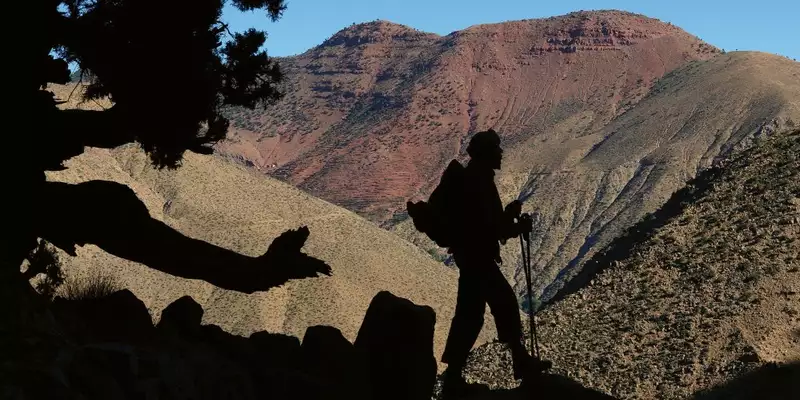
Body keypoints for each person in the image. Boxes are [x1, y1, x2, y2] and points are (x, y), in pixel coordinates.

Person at [409, 129, 546, 396]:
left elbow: (487, 224)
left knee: (470, 317)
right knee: (503, 303)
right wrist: (515, 224)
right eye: (497, 148)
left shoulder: (475, 178)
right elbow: (491, 227)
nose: (501, 153)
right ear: (486, 153)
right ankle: (520, 362)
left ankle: (455, 377)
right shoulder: (479, 181)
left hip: (470, 256)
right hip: (477, 258)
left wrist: (508, 217)